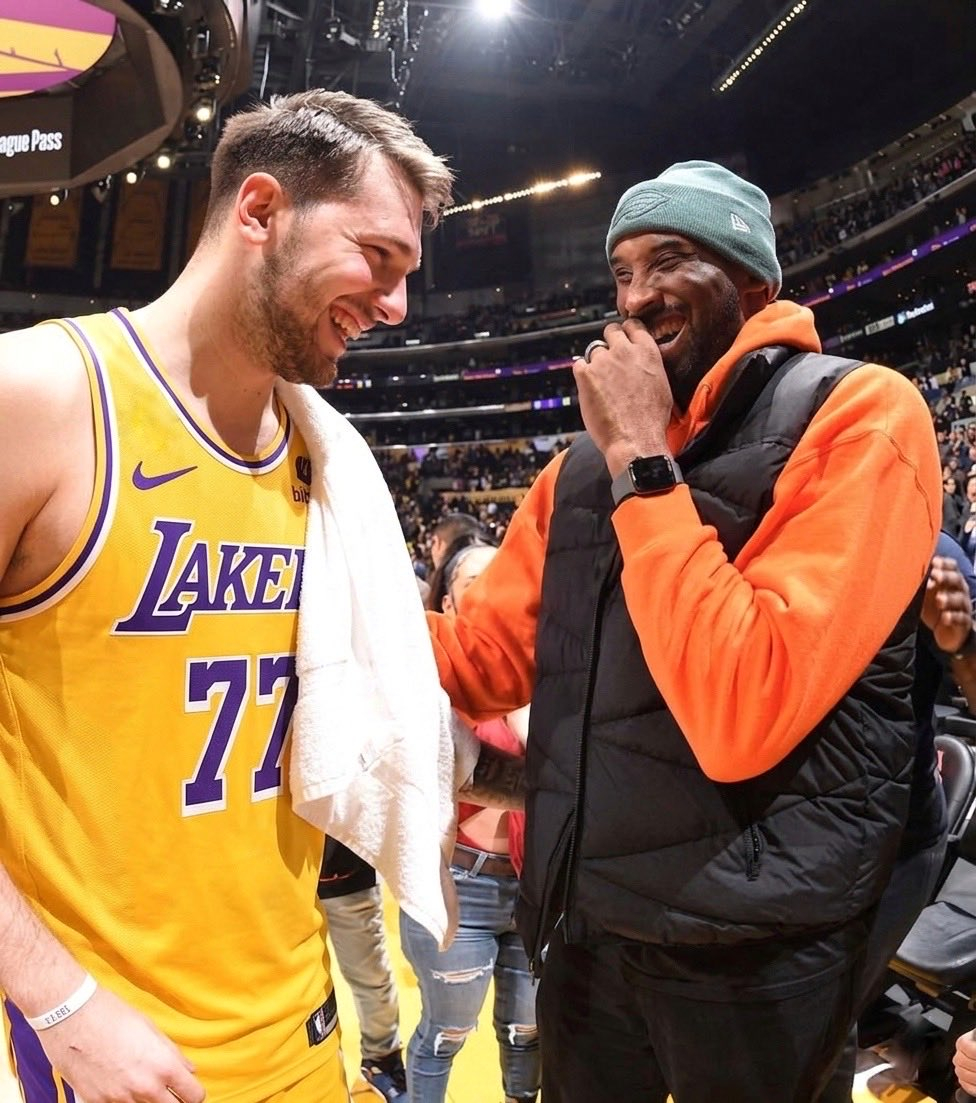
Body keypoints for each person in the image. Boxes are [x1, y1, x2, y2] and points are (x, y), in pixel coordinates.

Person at [426, 160, 942, 1102]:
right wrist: (316, 598)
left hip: (759, 951)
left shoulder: (861, 413)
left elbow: (745, 706)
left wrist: (641, 461)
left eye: (669, 261)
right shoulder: (579, 471)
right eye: (622, 273)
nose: (636, 297)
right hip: (587, 930)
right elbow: (479, 659)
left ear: (751, 282)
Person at [0, 90, 451, 1103]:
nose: (396, 306)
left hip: (307, 1025)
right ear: (260, 210)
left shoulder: (327, 462)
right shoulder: (38, 396)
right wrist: (59, 1002)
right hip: (117, 1054)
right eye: (378, 256)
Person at [401, 542, 540, 1103]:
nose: (492, 587)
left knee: (527, 1032)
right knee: (447, 1033)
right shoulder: (431, 674)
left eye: (501, 574)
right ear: (450, 601)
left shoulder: (545, 668)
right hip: (460, 880)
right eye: (475, 578)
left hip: (534, 884)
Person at [318, 839, 407, 1101]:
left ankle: (382, 1063)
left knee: (372, 976)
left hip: (347, 867)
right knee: (287, 981)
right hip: (278, 876)